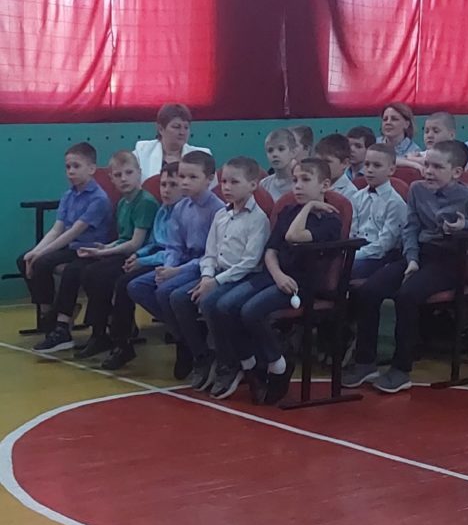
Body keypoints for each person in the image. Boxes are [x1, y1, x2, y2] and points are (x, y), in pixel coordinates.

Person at [344, 141, 468, 395]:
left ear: (456, 172)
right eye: (427, 165)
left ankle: (401, 369)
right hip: (419, 254)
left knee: (407, 296)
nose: (429, 172)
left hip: (450, 260)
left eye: (437, 167)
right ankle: (365, 362)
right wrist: (412, 258)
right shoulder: (417, 189)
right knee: (369, 291)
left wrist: (466, 226)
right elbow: (411, 227)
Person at [222, 159, 344, 406]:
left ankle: (278, 365)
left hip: (302, 283)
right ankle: (251, 365)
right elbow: (271, 251)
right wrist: (277, 274)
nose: (297, 186)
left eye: (305, 180)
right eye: (295, 180)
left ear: (325, 185)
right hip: (276, 276)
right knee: (225, 306)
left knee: (251, 311)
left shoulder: (330, 220)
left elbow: (293, 236)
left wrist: (309, 207)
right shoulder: (288, 211)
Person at [169, 156, 270, 393]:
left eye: (234, 182)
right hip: (217, 274)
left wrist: (215, 281)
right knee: (178, 297)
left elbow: (249, 263)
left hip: (241, 277)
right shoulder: (221, 215)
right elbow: (210, 254)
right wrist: (206, 276)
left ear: (252, 185)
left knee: (211, 302)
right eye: (224, 181)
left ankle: (228, 363)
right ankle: (202, 356)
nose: (226, 187)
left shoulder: (258, 219)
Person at [126, 150, 224, 378]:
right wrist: (167, 268)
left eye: (192, 177)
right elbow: (174, 246)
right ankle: (185, 335)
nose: (185, 182)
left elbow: (212, 255)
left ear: (209, 179)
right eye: (182, 176)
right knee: (137, 286)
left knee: (167, 292)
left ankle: (196, 350)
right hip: (180, 264)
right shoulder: (181, 207)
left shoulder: (217, 210)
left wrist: (176, 271)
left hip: (203, 267)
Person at [20, 142, 113, 348]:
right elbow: (57, 229)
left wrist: (40, 253)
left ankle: (61, 326)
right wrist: (35, 252)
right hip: (72, 248)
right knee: (26, 259)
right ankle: (49, 315)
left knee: (71, 270)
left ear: (91, 169)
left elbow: (73, 233)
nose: (71, 171)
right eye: (68, 167)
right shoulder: (68, 195)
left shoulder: (98, 199)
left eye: (76, 166)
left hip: (91, 251)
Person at [68, 151, 159, 359]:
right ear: (111, 178)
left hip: (141, 257)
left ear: (139, 173)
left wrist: (105, 251)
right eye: (118, 175)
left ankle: (119, 338)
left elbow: (135, 243)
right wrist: (104, 247)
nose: (124, 179)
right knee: (88, 272)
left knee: (102, 275)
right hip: (124, 252)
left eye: (129, 173)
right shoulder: (122, 203)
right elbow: (122, 238)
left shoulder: (145, 202)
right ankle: (99, 332)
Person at [100, 163, 182, 371]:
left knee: (126, 283)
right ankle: (118, 341)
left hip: (174, 263)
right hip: (156, 258)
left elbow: (174, 252)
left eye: (173, 185)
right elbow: (154, 243)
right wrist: (138, 255)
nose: (166, 190)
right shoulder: (163, 210)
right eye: (163, 184)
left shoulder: (182, 213)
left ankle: (177, 330)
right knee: (116, 276)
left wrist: (143, 261)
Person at [345, 143, 407, 281]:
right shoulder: (357, 197)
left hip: (380, 257)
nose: (369, 170)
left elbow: (385, 245)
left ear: (391, 170)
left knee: (344, 269)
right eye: (367, 164)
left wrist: (354, 256)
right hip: (356, 248)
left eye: (377, 165)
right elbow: (352, 231)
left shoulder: (395, 203)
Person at [132, 103, 212, 181]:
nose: (182, 132)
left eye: (186, 127)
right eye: (176, 127)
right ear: (160, 129)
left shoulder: (202, 156)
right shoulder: (142, 151)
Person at [260, 129, 299, 202]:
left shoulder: (300, 183)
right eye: (270, 150)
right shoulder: (264, 185)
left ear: (293, 152)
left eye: (281, 149)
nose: (275, 154)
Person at [315, 133, 358, 197]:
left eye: (327, 161)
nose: (321, 166)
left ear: (345, 163)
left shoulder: (351, 193)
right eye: (317, 161)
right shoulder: (311, 185)